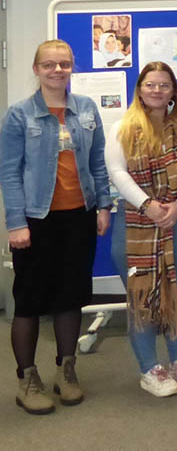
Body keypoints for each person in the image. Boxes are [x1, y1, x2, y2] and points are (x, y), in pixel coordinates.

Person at [0, 39, 112, 414]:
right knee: (29, 301)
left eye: (64, 64)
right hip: (36, 219)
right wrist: (16, 223)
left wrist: (104, 205)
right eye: (49, 65)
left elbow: (98, 162)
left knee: (71, 296)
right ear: (36, 69)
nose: (57, 70)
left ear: (72, 68)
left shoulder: (86, 109)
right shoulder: (20, 115)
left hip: (79, 216)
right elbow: (9, 173)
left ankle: (67, 372)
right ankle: (27, 378)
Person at [106, 62, 177, 398]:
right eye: (150, 85)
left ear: (173, 90)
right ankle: (150, 368)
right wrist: (149, 206)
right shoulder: (122, 127)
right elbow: (118, 173)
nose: (157, 91)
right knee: (141, 297)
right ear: (140, 89)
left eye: (164, 85)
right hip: (134, 223)